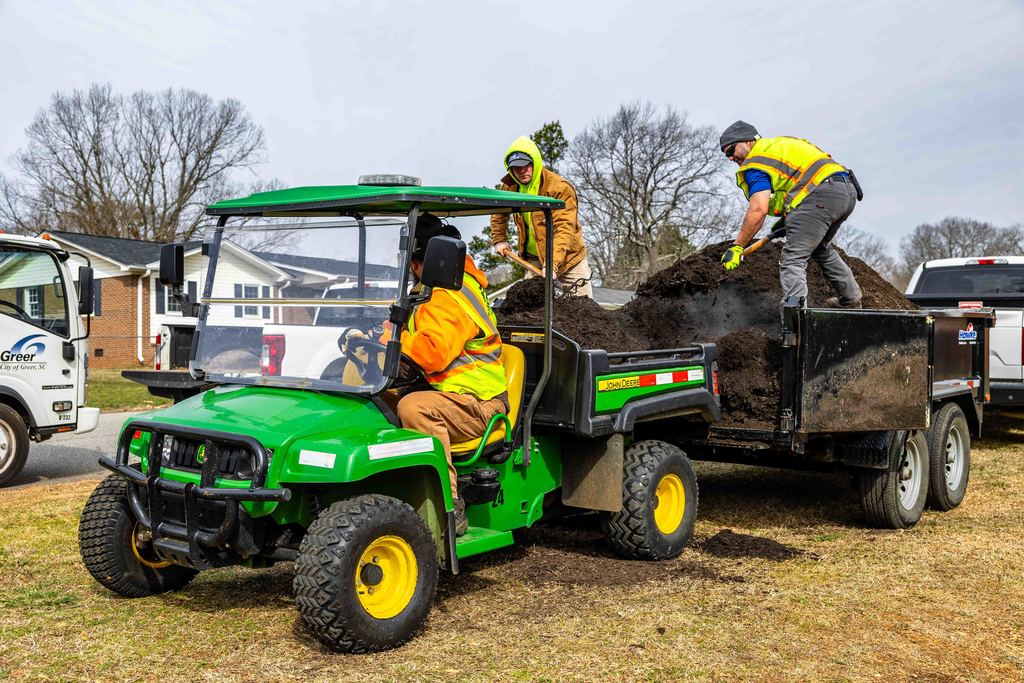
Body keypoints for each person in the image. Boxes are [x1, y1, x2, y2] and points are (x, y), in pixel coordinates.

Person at [396, 213, 509, 535]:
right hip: (452, 394)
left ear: (419, 262)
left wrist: (388, 338)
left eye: (408, 262)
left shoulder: (447, 295)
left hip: (481, 403)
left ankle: (448, 504)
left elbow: (432, 352)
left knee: (414, 408)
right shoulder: (436, 289)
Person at [718, 120, 862, 310]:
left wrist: (737, 247)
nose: (730, 158)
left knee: (792, 259)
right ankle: (850, 300)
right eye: (726, 155)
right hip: (846, 191)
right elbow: (795, 186)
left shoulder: (755, 164)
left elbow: (758, 210)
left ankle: (796, 324)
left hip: (818, 195)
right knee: (819, 248)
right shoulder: (778, 146)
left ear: (748, 142)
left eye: (731, 151)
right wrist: (790, 217)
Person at [490, 135, 594, 297]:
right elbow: (498, 211)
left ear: (535, 162)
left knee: (583, 310)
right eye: (517, 167)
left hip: (569, 261)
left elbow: (564, 229)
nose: (522, 171)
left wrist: (552, 264)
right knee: (531, 311)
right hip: (533, 261)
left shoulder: (559, 188)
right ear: (510, 169)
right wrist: (499, 239)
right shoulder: (509, 187)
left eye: (526, 165)